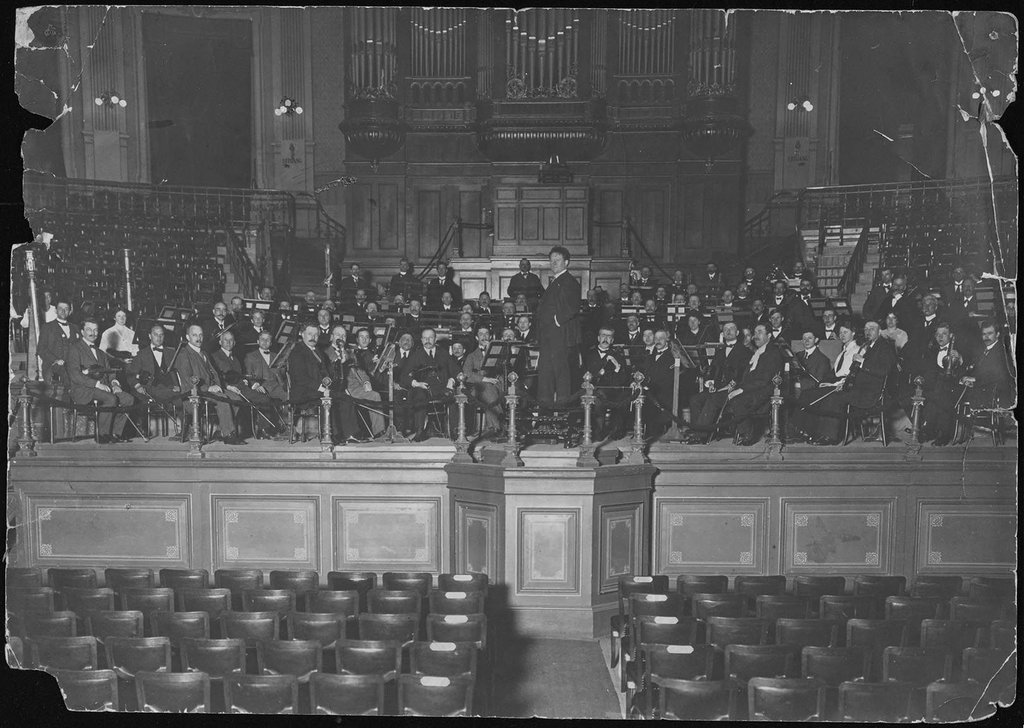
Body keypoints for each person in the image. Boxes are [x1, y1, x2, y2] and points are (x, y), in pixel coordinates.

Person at [289, 322, 363, 444]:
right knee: (333, 398)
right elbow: (300, 378)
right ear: (302, 335)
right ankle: (334, 436)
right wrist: (322, 389)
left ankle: (349, 434)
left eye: (316, 334)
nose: (313, 337)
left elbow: (327, 375)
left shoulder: (318, 352)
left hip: (318, 390)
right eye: (309, 334)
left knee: (345, 397)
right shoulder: (297, 352)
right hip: (303, 393)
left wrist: (341, 363)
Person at [65, 318, 136, 443]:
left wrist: (114, 384)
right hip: (84, 389)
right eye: (89, 329)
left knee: (128, 399)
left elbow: (110, 372)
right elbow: (75, 375)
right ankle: (102, 436)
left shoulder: (101, 353)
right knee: (110, 398)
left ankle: (115, 433)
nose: (92, 333)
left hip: (104, 388)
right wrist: (97, 384)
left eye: (95, 330)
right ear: (82, 332)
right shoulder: (74, 349)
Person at [174, 324, 247, 445]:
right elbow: (188, 380)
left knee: (236, 398)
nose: (199, 338)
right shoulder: (184, 354)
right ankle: (229, 435)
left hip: (208, 390)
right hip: (193, 393)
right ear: (187, 337)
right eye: (195, 335)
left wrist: (219, 386)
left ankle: (220, 431)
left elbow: (214, 374)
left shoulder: (203, 353)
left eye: (201, 335)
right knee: (223, 399)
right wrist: (209, 387)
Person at [685, 322, 752, 441]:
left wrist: (728, 387)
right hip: (718, 388)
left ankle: (700, 435)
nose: (728, 331)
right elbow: (713, 370)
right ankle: (697, 429)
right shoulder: (720, 351)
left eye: (731, 328)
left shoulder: (745, 352)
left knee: (713, 399)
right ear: (722, 334)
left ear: (737, 333)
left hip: (734, 390)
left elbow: (743, 375)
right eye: (726, 329)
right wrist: (710, 383)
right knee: (695, 399)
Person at [720, 324, 784, 445]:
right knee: (729, 397)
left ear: (769, 335)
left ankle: (748, 434)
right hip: (752, 389)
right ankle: (739, 430)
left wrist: (741, 390)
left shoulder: (772, 353)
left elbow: (764, 381)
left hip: (764, 391)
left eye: (760, 332)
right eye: (755, 333)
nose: (755, 336)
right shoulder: (758, 352)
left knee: (738, 400)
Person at [535, 247, 581, 406]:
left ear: (566, 262)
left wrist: (557, 321)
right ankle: (546, 414)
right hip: (549, 336)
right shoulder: (556, 281)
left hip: (559, 335)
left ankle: (562, 415)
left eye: (558, 260)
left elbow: (572, 307)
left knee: (561, 375)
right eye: (551, 260)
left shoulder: (569, 281)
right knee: (546, 374)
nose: (553, 263)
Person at [327, 326, 383, 439]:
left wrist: (366, 382)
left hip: (355, 387)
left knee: (375, 395)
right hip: (338, 388)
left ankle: (379, 432)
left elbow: (360, 370)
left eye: (343, 336)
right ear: (331, 337)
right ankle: (352, 434)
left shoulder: (351, 352)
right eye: (338, 335)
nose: (341, 338)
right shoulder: (326, 353)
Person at [403, 328, 459, 441]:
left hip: (442, 388)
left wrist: (451, 380)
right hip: (423, 389)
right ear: (421, 339)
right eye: (425, 338)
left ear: (435, 339)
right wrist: (417, 383)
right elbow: (404, 376)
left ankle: (454, 431)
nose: (427, 340)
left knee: (453, 397)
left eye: (430, 338)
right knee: (419, 395)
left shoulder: (443, 353)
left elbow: (456, 371)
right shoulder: (415, 355)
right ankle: (419, 431)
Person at [128, 324, 182, 427]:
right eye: (156, 334)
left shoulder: (171, 353)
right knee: (141, 401)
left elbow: (176, 371)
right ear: (150, 336)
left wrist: (177, 385)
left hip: (169, 388)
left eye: (161, 335)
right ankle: (144, 428)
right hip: (149, 389)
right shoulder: (142, 354)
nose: (159, 337)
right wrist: (137, 386)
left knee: (180, 398)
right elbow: (131, 374)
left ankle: (185, 430)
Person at [462, 326, 504, 435]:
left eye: (486, 334)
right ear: (477, 337)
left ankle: (494, 426)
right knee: (487, 389)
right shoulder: (471, 356)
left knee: (493, 389)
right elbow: (467, 373)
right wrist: (484, 379)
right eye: (481, 334)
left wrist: (491, 350)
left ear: (490, 337)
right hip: (478, 387)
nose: (484, 336)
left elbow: (502, 368)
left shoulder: (498, 354)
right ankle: (497, 427)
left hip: (497, 383)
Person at [37, 299, 81, 383]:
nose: (63, 311)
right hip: (52, 367)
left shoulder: (75, 328)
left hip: (72, 367)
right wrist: (55, 360)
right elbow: (41, 349)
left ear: (70, 311)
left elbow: (81, 348)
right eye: (60, 308)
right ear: (55, 310)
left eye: (66, 309)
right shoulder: (47, 327)